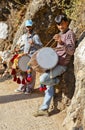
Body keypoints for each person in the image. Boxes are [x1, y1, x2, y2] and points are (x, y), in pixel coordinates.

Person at [33, 14, 76, 117]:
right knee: (49, 86)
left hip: (62, 66)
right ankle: (44, 108)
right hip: (54, 64)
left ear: (67, 22)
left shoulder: (70, 34)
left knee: (43, 79)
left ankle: (57, 81)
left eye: (62, 24)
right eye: (58, 25)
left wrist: (61, 42)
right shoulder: (60, 33)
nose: (60, 27)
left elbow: (71, 51)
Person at [13, 19, 43, 94]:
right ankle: (22, 87)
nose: (28, 28)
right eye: (27, 26)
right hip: (24, 56)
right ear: (26, 27)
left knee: (31, 73)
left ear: (32, 26)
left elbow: (41, 47)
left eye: (30, 26)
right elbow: (25, 46)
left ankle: (30, 88)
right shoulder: (25, 36)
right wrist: (19, 49)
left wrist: (33, 44)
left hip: (32, 57)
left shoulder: (35, 36)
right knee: (22, 72)